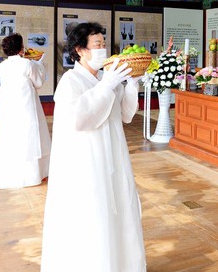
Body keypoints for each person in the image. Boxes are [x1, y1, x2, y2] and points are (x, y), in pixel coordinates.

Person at [41, 22, 146, 272]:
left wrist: (132, 85)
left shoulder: (104, 77)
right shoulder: (70, 81)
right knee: (93, 211)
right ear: (80, 50)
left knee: (118, 204)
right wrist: (106, 87)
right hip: (87, 158)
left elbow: (126, 115)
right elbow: (81, 119)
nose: (103, 49)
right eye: (97, 44)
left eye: (103, 43)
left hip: (114, 152)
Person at [0, 33, 51, 189]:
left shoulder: (3, 65)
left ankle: (12, 170)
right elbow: (39, 83)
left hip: (8, 105)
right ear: (21, 48)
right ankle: (34, 174)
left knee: (11, 134)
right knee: (29, 134)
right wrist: (39, 64)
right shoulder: (27, 64)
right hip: (26, 103)